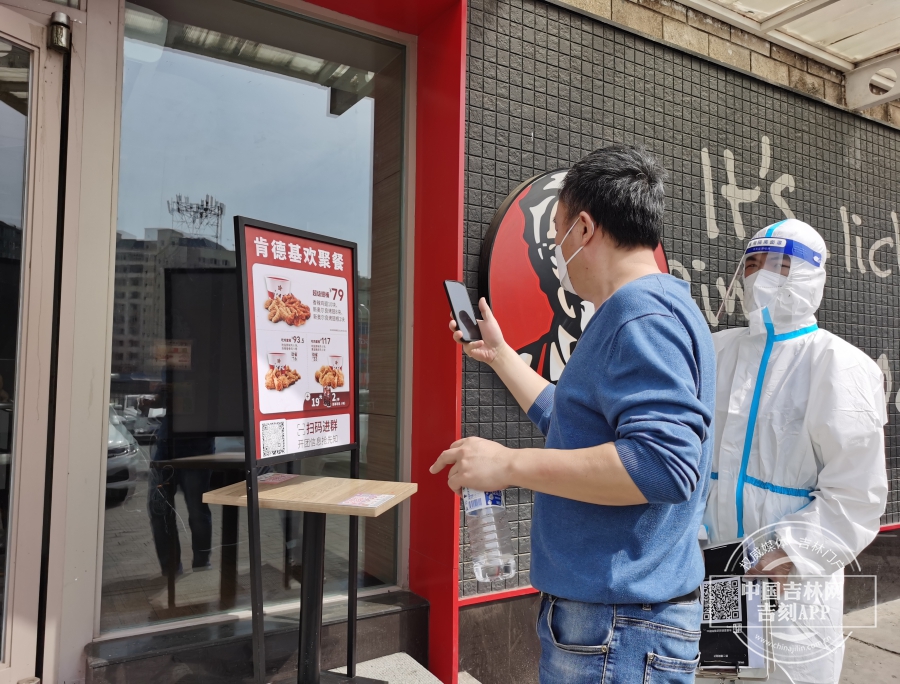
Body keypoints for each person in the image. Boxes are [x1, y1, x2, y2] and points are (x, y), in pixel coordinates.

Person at [431, 144, 716, 683]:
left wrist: (508, 465)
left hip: (617, 626)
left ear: (584, 228)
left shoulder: (639, 315)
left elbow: (663, 466)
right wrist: (501, 356)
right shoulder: (656, 306)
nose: (555, 253)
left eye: (556, 233)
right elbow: (571, 421)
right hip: (620, 619)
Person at [703, 218, 888, 683]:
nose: (761, 276)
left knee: (790, 672)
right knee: (716, 670)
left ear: (812, 275)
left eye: (780, 265)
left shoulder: (842, 367)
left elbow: (856, 494)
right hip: (715, 567)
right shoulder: (716, 352)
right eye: (752, 264)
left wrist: (788, 550)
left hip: (793, 578)